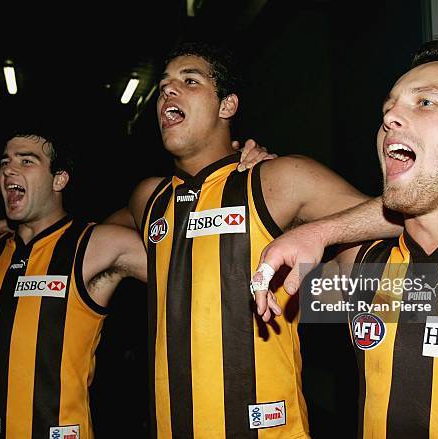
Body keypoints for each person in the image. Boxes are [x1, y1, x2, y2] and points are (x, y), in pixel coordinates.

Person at [253, 37, 438, 438]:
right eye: (387, 108)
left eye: (425, 102)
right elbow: (249, 302)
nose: (390, 116)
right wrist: (249, 180)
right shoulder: (361, 268)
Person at [96, 41, 376, 438]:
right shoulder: (149, 198)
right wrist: (8, 230)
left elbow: (396, 216)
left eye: (189, 81)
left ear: (227, 106)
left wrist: (323, 233)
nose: (168, 93)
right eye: (163, 87)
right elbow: (80, 245)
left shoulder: (278, 179)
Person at [0, 129, 150, 439]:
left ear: (59, 180)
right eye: (5, 162)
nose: (8, 170)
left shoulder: (94, 245)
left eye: (27, 161)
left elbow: (161, 219)